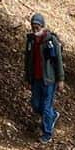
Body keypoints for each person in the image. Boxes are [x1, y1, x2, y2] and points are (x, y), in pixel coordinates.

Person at [24, 13, 65, 143]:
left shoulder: (51, 40)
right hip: (36, 79)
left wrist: (60, 79)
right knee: (36, 105)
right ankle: (52, 116)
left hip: (49, 79)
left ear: (42, 26)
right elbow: (27, 60)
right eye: (33, 26)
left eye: (37, 26)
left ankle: (47, 133)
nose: (35, 29)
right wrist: (27, 78)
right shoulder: (30, 40)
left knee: (46, 106)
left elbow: (58, 60)